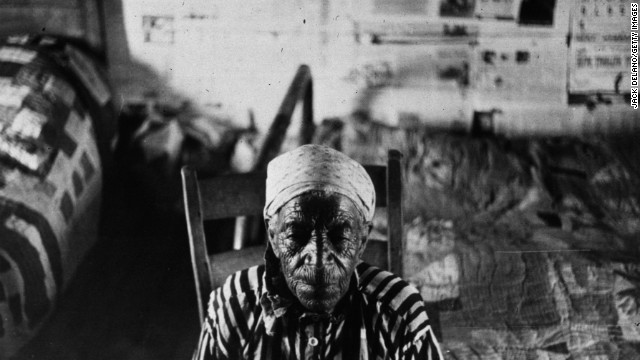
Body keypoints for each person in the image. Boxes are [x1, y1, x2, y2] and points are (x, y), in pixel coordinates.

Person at [193, 144, 443, 359]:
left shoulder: (399, 314)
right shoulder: (234, 307)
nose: (320, 256)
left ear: (362, 240)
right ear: (273, 236)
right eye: (296, 234)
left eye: (339, 235)